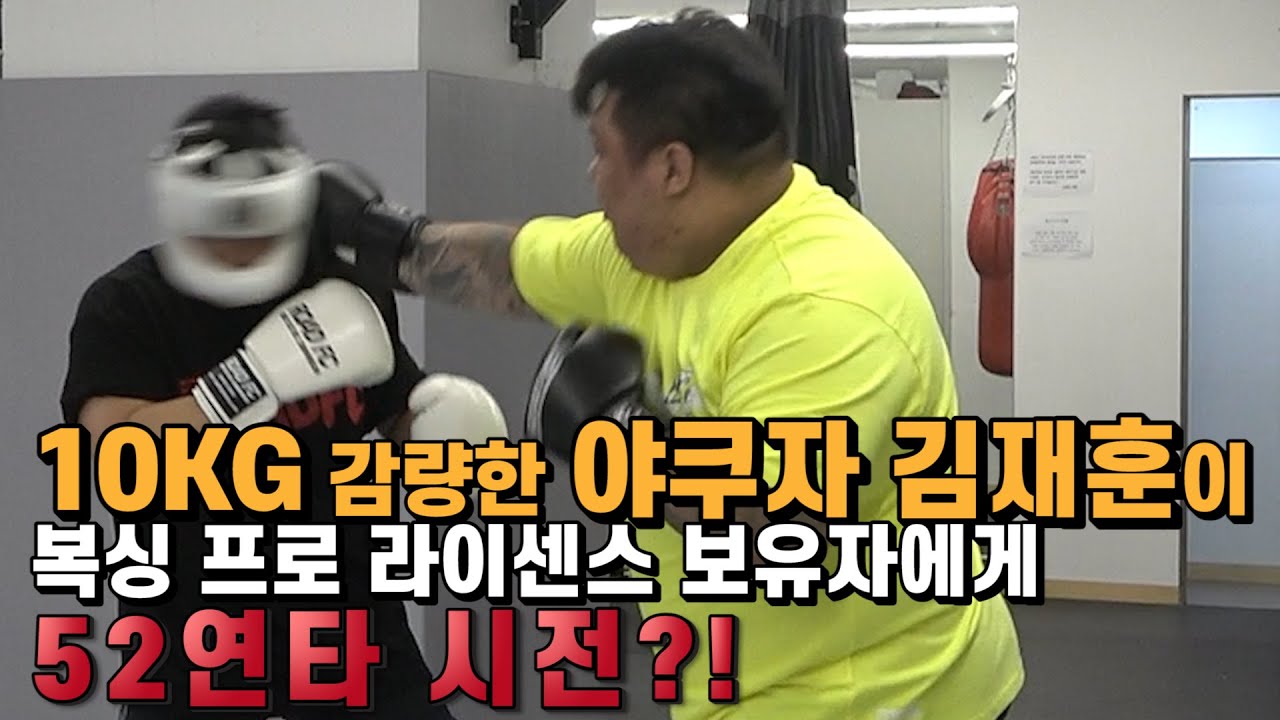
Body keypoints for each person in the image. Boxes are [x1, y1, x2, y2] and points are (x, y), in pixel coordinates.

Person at [320, 9, 1025, 720]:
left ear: (672, 167)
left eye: (602, 151)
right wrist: (378, 239)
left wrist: (630, 446)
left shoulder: (824, 304)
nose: (592, 175)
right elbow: (513, 265)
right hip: (733, 680)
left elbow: (785, 540)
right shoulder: (648, 251)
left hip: (889, 694)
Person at [60, 94, 508, 719]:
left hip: (354, 626)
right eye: (225, 222)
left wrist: (441, 422)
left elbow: (389, 406)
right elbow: (115, 453)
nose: (243, 242)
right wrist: (245, 382)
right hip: (197, 635)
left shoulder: (339, 285)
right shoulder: (129, 305)